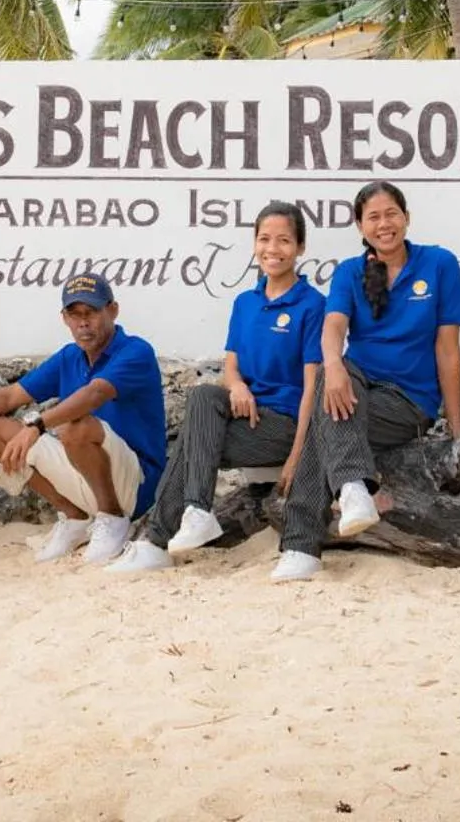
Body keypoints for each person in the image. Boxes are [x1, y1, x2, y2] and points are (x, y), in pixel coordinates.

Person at [109, 204, 324, 573]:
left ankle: (156, 540)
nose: (273, 249)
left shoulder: (313, 305)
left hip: (285, 425)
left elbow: (313, 388)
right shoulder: (245, 303)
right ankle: (194, 511)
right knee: (204, 396)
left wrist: (297, 456)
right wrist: (237, 384)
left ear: (301, 247)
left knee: (191, 443)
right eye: (264, 239)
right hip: (247, 418)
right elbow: (231, 364)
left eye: (284, 240)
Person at [274, 182, 460, 582]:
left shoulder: (439, 264)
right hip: (357, 388)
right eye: (373, 217)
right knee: (333, 376)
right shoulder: (350, 272)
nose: (384, 224)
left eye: (391, 214)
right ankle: (355, 489)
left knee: (320, 427)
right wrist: (334, 364)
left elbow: (448, 351)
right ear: (360, 226)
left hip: (408, 401)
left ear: (407, 218)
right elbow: (333, 328)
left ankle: (301, 545)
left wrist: (456, 426)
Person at [0, 273, 166, 567]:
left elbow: (95, 393)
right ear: (64, 318)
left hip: (136, 486)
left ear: (113, 310)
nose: (83, 323)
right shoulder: (69, 357)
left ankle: (114, 520)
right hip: (87, 475)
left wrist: (37, 426)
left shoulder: (136, 350)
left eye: (91, 313)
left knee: (76, 425)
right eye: (74, 314)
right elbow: (9, 396)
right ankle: (75, 518)